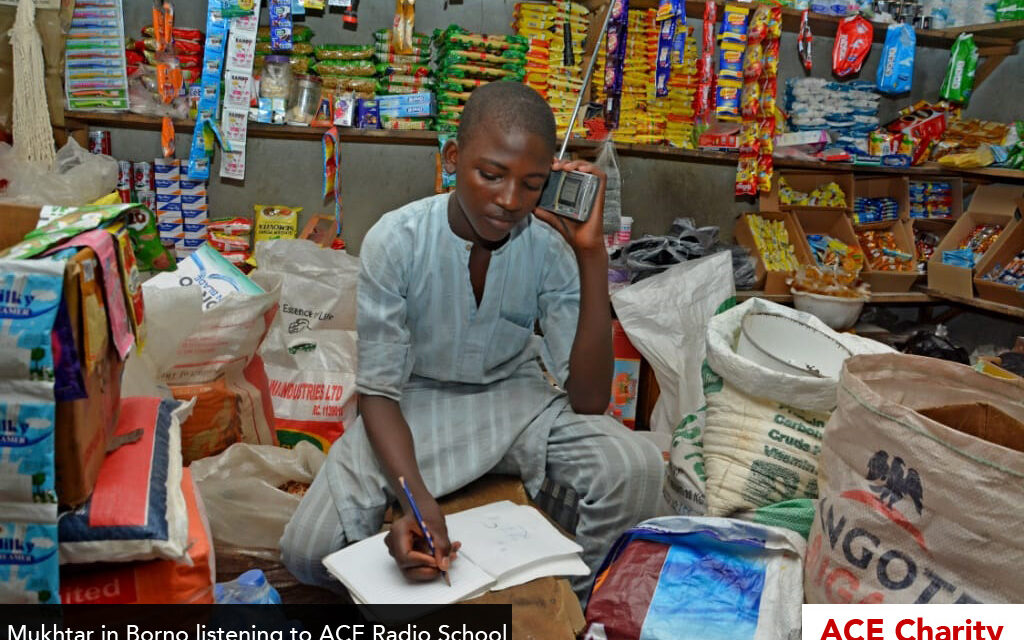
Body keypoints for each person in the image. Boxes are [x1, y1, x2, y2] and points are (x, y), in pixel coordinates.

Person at [280, 82, 663, 603]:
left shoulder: (550, 247)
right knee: (306, 550)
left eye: (532, 185)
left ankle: (562, 601)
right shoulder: (397, 240)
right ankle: (404, 557)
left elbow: (591, 401)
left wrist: (591, 255)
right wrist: (416, 502)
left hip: (517, 405)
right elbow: (378, 394)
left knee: (637, 467)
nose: (509, 201)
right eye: (490, 175)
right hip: (411, 408)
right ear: (452, 159)